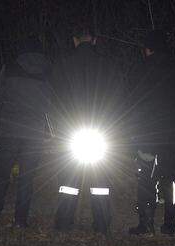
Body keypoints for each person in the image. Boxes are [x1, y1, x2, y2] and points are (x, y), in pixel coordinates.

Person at [51, 23, 123, 234]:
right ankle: (101, 224)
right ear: (94, 40)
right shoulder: (108, 65)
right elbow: (119, 97)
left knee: (69, 180)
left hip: (70, 130)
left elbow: (54, 98)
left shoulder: (62, 65)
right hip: (102, 129)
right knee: (100, 179)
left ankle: (64, 222)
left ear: (74, 40)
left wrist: (56, 126)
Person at [0, 36, 53, 228]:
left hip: (10, 129)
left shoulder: (10, 67)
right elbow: (51, 103)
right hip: (34, 132)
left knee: (1, 175)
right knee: (27, 178)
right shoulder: (48, 71)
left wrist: (4, 115)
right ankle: (20, 220)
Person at [126, 30, 175, 236]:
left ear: (147, 49)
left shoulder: (139, 70)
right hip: (173, 135)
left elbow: (131, 103)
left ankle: (146, 223)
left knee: (146, 178)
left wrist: (132, 133)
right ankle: (172, 224)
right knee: (173, 179)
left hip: (146, 135)